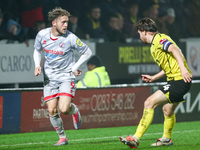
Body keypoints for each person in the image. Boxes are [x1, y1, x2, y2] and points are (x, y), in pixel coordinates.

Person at [119, 17, 192, 148]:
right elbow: (168, 65)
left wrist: (182, 69)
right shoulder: (157, 41)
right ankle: (166, 139)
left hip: (179, 80)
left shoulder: (159, 39)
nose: (140, 36)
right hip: (179, 79)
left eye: (139, 34)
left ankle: (135, 138)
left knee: (149, 102)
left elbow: (174, 49)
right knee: (167, 110)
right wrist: (154, 77)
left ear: (144, 32)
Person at [33, 7, 92, 146]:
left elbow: (87, 52)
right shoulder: (42, 35)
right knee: (52, 110)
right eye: (63, 22)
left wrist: (75, 67)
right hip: (49, 78)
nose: (66, 25)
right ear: (54, 23)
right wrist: (37, 65)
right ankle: (62, 137)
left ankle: (74, 110)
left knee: (64, 109)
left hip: (66, 76)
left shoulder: (70, 38)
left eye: (67, 22)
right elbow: (37, 50)